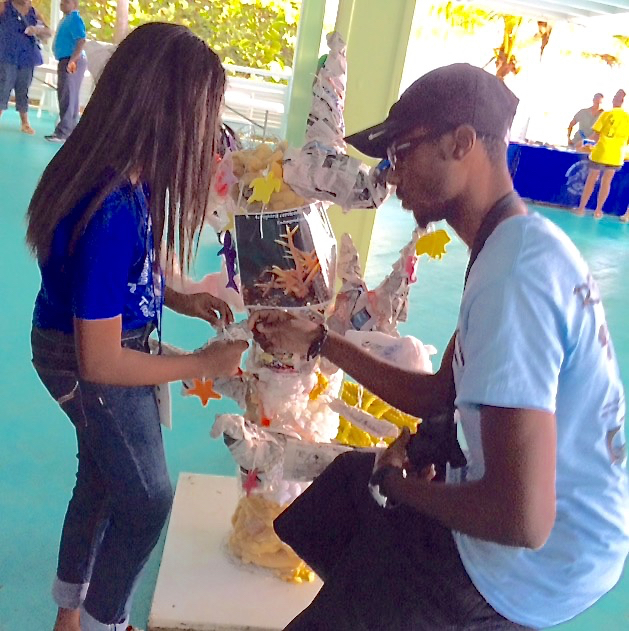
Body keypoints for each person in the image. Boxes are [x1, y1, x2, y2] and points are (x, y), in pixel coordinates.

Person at [249, 63, 629, 630]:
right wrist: (322, 341)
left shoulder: (515, 277)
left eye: (400, 152)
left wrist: (398, 485)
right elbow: (440, 395)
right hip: (554, 530)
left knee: (373, 517)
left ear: (461, 143)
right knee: (340, 500)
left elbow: (520, 518)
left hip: (532, 564)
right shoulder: (511, 243)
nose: (391, 174)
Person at [26, 23, 247, 631]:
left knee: (100, 474)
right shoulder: (112, 210)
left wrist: (180, 297)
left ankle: (68, 615)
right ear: (170, 114)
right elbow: (101, 361)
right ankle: (104, 621)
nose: (212, 132)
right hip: (91, 358)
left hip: (82, 342)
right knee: (147, 498)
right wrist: (204, 363)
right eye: (208, 115)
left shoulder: (125, 176)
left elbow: (128, 278)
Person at [0, 0, 51, 134]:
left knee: (23, 88)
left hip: (27, 56)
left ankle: (25, 122)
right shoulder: (4, 7)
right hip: (7, 54)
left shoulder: (33, 12)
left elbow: (48, 32)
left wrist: (36, 30)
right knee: (3, 86)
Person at [577, 89, 629, 218]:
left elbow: (595, 136)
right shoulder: (627, 118)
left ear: (614, 100)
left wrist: (582, 144)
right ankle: (598, 211)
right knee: (607, 182)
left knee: (591, 180)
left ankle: (581, 208)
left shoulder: (606, 114)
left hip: (600, 152)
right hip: (616, 156)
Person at [45, 0, 87, 143]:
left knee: (67, 95)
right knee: (68, 95)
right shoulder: (67, 19)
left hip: (71, 60)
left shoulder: (74, 19)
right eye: (62, 2)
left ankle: (64, 131)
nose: (62, 4)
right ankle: (69, 129)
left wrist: (72, 60)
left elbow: (81, 40)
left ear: (74, 4)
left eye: (66, 2)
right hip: (66, 59)